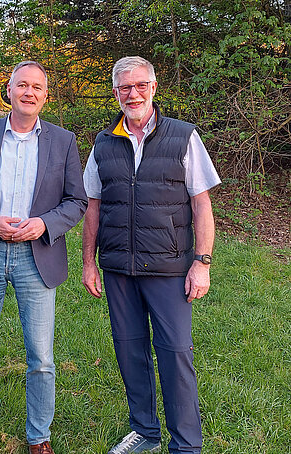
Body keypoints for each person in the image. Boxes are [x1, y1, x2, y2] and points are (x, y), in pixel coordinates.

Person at [0, 61, 88, 454]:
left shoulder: (64, 141)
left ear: (45, 95)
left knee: (41, 357)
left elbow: (78, 201)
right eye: (21, 85)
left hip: (36, 257)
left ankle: (39, 436)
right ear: (7, 91)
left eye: (37, 87)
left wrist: (44, 224)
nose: (29, 92)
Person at [82, 56, 221, 454]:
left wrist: (202, 261)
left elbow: (202, 204)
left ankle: (186, 445)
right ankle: (144, 431)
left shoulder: (183, 136)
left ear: (154, 88)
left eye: (141, 85)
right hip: (119, 268)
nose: (134, 93)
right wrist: (89, 262)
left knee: (175, 355)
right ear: (115, 94)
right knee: (129, 350)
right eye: (125, 87)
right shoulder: (103, 142)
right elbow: (93, 204)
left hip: (169, 267)